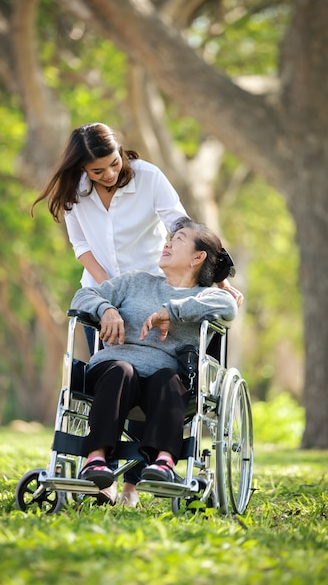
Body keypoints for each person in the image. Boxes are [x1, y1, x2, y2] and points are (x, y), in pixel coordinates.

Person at [31, 123, 242, 505]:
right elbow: (81, 247)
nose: (108, 174)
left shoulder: (147, 178)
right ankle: (100, 469)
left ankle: (139, 479)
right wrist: (112, 299)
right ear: (81, 169)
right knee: (119, 373)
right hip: (112, 293)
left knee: (160, 380)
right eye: (98, 171)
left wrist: (215, 278)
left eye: (113, 164)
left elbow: (180, 223)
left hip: (158, 281)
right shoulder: (74, 193)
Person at [70, 217, 238, 492]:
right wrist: (106, 310)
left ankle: (163, 462)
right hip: (114, 370)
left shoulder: (204, 296)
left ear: (198, 257)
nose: (167, 244)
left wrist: (171, 311)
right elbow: (83, 297)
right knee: (121, 370)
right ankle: (96, 460)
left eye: (178, 240)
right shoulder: (136, 282)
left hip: (163, 378)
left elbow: (228, 305)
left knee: (168, 380)